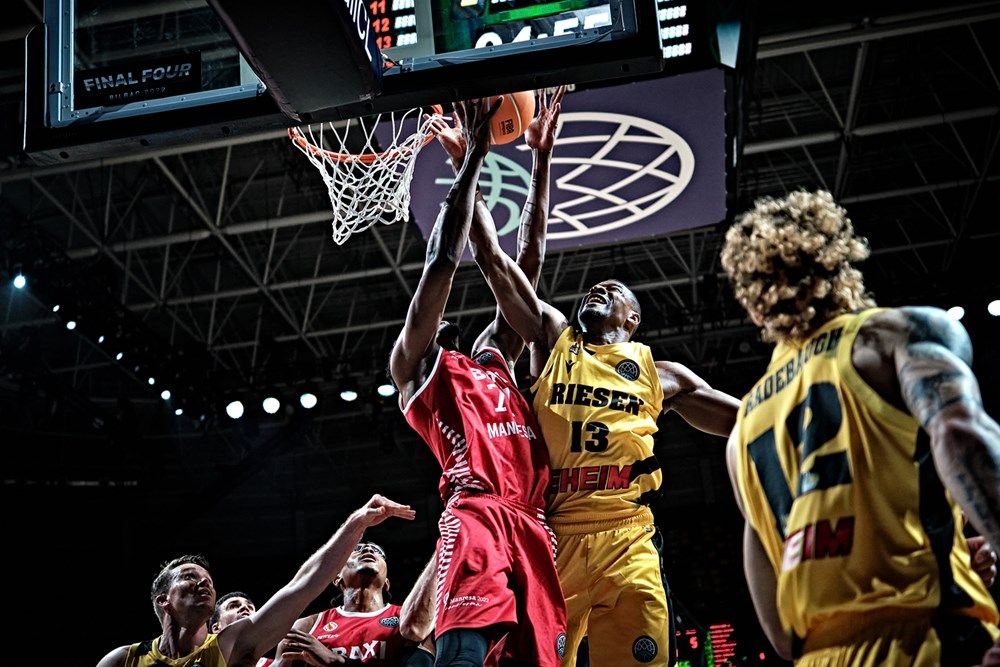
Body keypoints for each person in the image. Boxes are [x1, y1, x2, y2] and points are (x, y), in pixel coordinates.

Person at [465, 136, 739, 666]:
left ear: (632, 319)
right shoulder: (553, 339)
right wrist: (499, 162)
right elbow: (499, 262)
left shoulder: (665, 376)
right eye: (593, 287)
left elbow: (749, 420)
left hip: (627, 535)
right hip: (556, 534)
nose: (597, 289)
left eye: (613, 290)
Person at [719, 189, 1000, 665]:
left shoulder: (743, 427)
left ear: (754, 308)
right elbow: (960, 435)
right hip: (927, 641)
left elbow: (781, 636)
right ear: (840, 259)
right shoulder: (892, 336)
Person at [389, 96, 567, 667]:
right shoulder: (417, 369)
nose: (437, 308)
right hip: (477, 516)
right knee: (465, 653)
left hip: (533, 522)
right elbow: (444, 258)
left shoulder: (495, 360)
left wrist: (540, 161)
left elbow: (525, 268)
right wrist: (473, 160)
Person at [96, 494, 415, 667]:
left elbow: (300, 585)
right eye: (190, 577)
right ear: (162, 599)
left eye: (209, 579)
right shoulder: (123, 660)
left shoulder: (230, 645)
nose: (205, 583)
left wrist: (355, 524)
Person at [272, 543, 435, 666]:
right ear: (337, 579)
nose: (369, 550)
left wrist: (335, 660)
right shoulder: (306, 627)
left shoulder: (411, 620)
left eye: (378, 552)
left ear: (386, 583)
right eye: (357, 549)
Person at [211, 592, 273, 667]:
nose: (245, 607)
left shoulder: (275, 663)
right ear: (216, 628)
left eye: (250, 607)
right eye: (233, 606)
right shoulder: (202, 660)